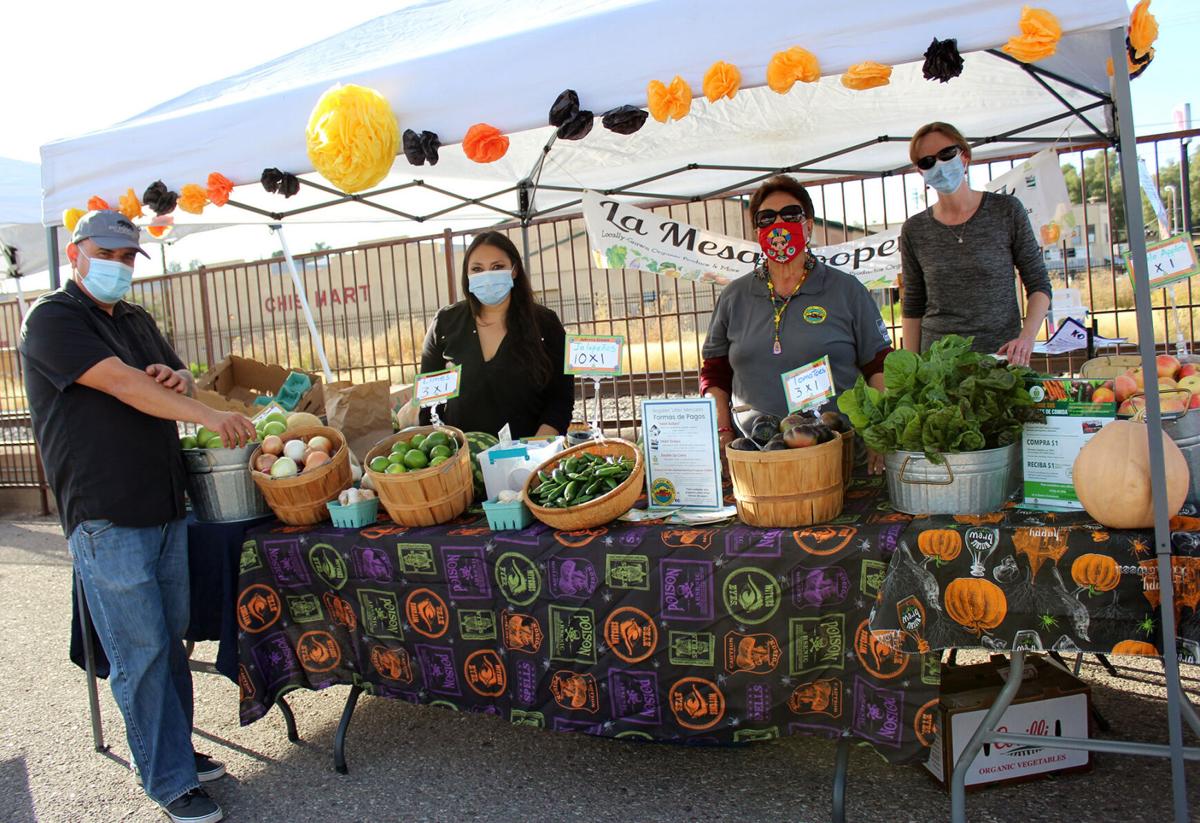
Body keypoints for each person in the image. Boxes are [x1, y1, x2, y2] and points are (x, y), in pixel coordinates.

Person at [19, 210, 256, 823]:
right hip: (105, 513)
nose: (119, 268)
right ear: (76, 253)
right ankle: (169, 779)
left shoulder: (134, 317)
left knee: (168, 642)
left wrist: (176, 377)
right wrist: (205, 415)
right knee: (142, 651)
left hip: (163, 503)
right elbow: (122, 384)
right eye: (109, 254)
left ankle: (174, 749)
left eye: (128, 259)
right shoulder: (51, 320)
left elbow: (169, 374)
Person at [701, 175, 893, 471]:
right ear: (756, 231)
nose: (779, 224)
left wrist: (880, 433)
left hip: (837, 453)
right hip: (756, 456)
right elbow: (715, 373)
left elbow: (878, 365)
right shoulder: (734, 296)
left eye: (791, 215)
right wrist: (723, 432)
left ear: (808, 225)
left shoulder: (846, 290)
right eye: (766, 218)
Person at [900, 122, 1052, 365]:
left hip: (1001, 360)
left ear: (964, 156)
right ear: (921, 172)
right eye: (927, 161)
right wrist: (911, 367)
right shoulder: (914, 230)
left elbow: (1039, 285)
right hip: (939, 368)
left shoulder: (1006, 211)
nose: (939, 165)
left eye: (946, 154)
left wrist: (1026, 339)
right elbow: (913, 304)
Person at [412, 231, 574, 437]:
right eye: (477, 269)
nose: (487, 276)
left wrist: (537, 446)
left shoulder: (545, 323)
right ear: (467, 275)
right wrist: (440, 452)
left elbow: (561, 397)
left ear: (514, 270)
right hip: (460, 459)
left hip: (528, 459)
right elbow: (427, 402)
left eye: (497, 267)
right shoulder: (445, 323)